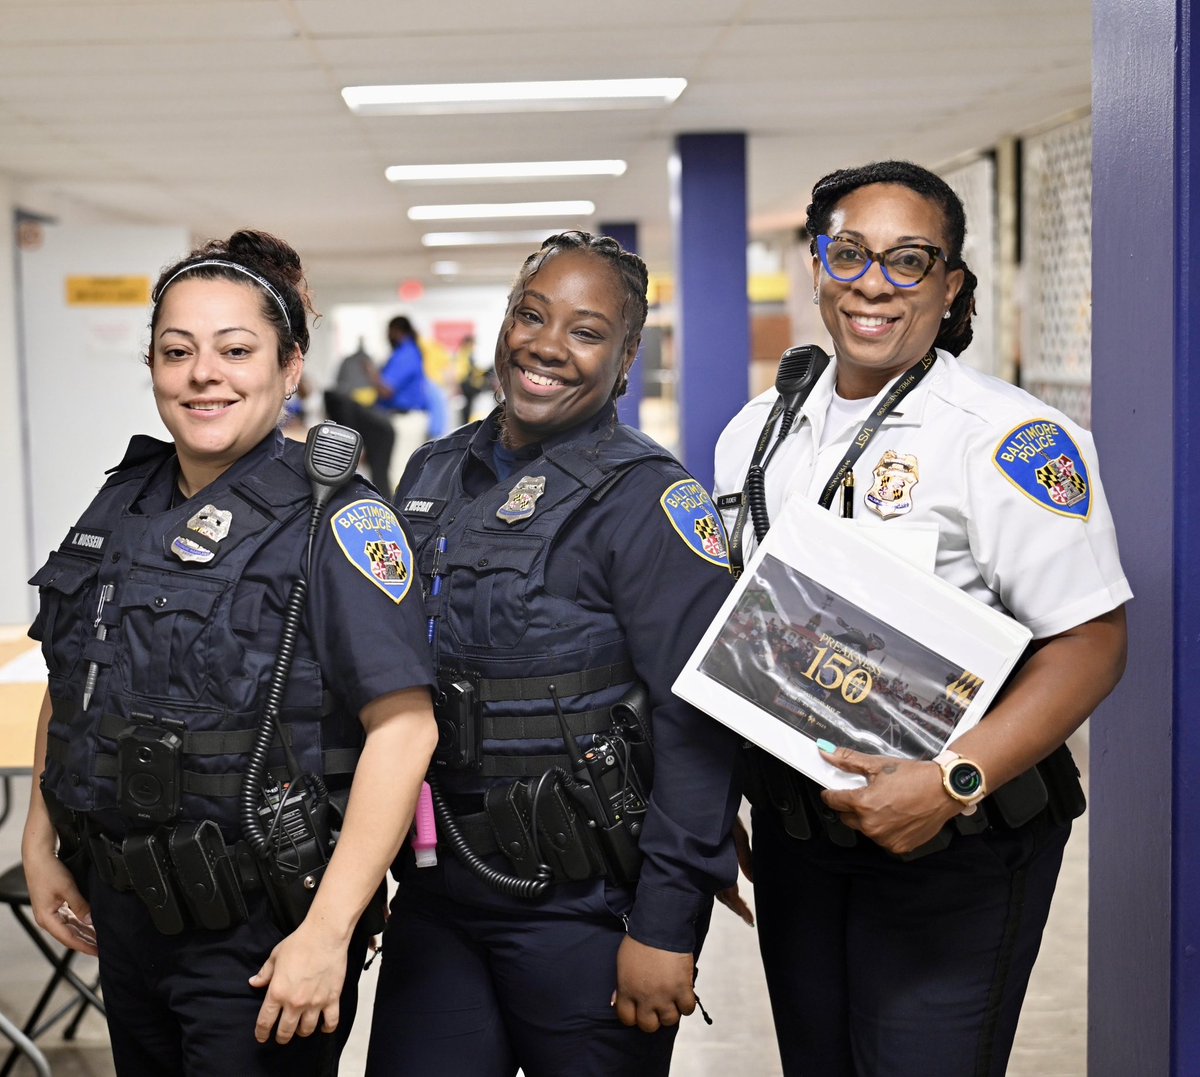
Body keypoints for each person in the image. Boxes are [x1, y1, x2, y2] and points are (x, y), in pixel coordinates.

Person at [712, 161, 1131, 1077]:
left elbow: (1093, 642)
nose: (874, 282)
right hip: (802, 838)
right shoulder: (756, 431)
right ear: (816, 265)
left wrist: (951, 780)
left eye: (910, 261)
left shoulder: (1006, 440)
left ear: (951, 287)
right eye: (851, 253)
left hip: (957, 843)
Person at [20, 230, 439, 1076]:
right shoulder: (122, 501)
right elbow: (75, 676)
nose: (202, 374)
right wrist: (41, 840)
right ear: (152, 367)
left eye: (236, 349)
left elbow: (405, 731)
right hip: (127, 914)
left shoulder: (338, 519)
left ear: (290, 368)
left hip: (263, 931)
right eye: (177, 352)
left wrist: (327, 932)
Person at [366, 230, 742, 1077]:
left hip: (585, 907)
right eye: (530, 315)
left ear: (626, 352)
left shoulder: (649, 499)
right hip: (439, 894)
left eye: (584, 330)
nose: (545, 346)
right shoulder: (430, 473)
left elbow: (699, 730)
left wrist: (665, 927)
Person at [376, 314, 430, 483]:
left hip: (407, 420)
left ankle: (398, 511)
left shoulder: (406, 353)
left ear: (397, 331)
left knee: (399, 473)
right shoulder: (410, 351)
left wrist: (370, 373)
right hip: (406, 419)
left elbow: (387, 390)